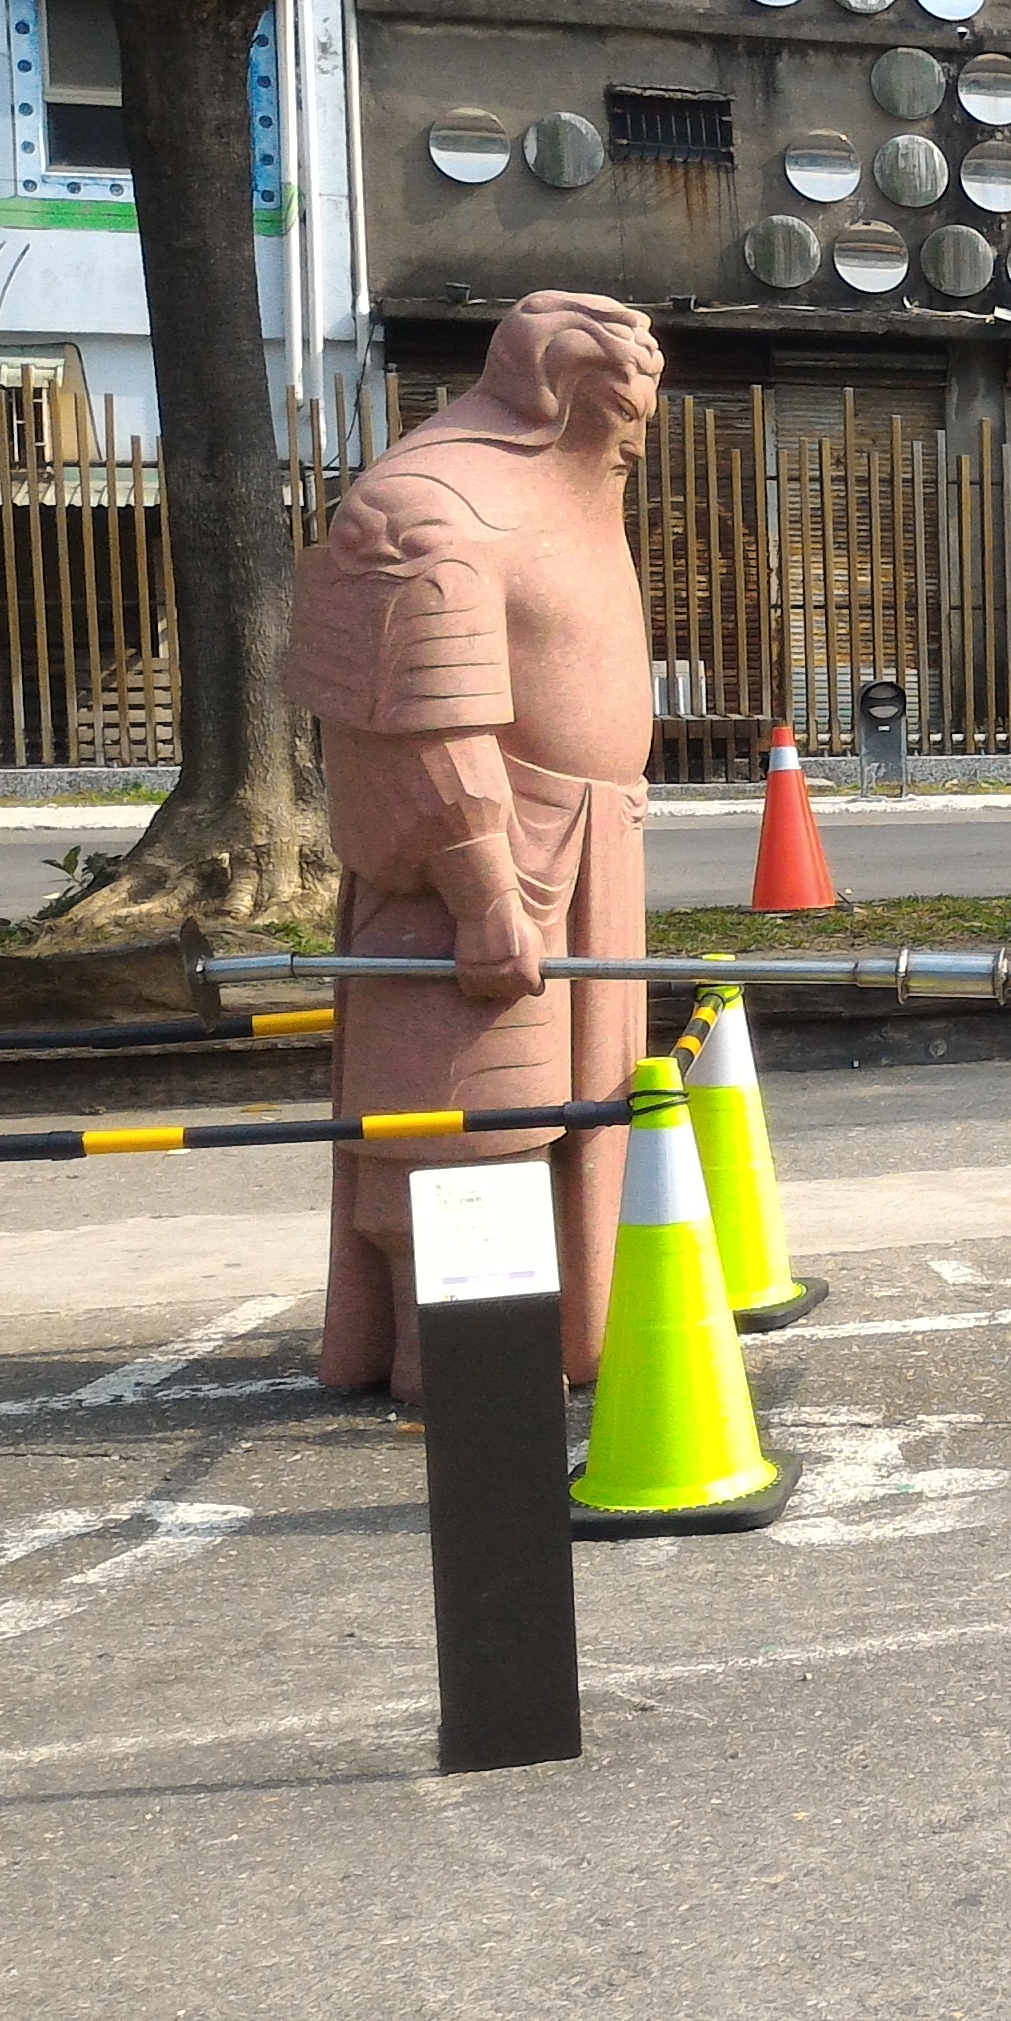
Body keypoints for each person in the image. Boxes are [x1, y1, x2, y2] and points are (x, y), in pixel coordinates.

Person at [290, 293, 665, 1398]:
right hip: (484, 872)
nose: (636, 443)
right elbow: (419, 729)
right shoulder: (417, 511)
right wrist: (485, 891)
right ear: (564, 398)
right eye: (626, 415)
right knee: (467, 1112)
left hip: (587, 850)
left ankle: (559, 1325)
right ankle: (450, 1359)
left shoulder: (569, 490)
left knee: (570, 1113)